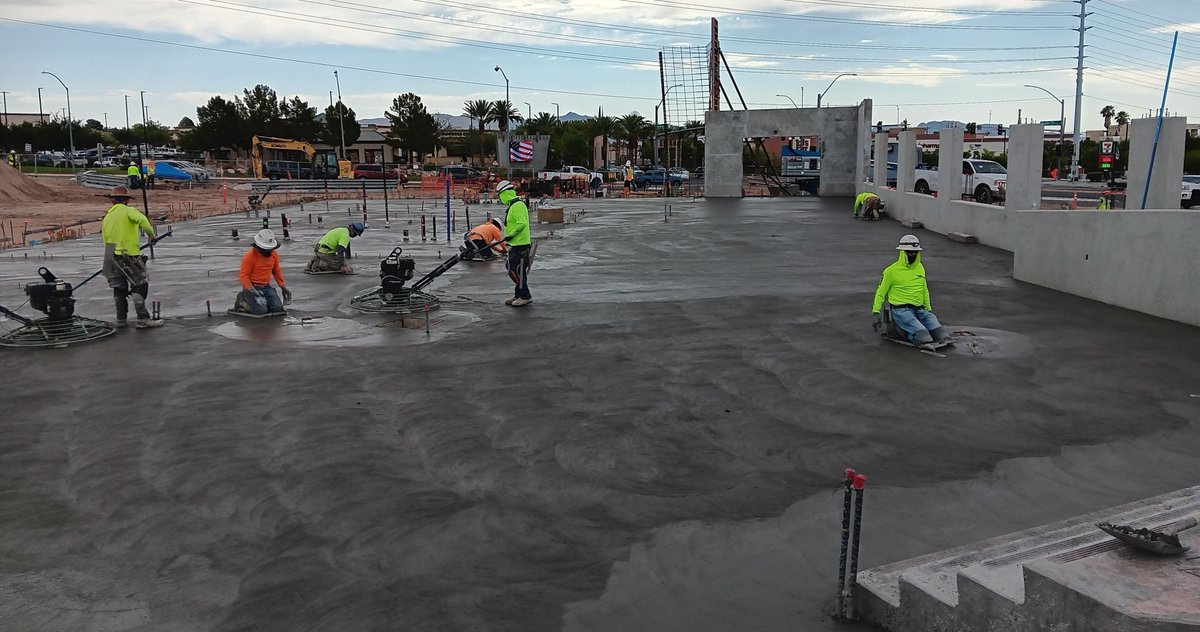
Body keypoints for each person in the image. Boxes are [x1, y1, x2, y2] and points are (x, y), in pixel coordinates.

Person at [101, 185, 163, 328]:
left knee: (118, 288)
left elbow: (104, 238)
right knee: (140, 284)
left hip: (110, 255)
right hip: (127, 253)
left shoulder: (107, 216)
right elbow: (143, 221)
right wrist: (151, 235)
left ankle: (121, 320)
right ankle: (143, 319)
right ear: (127, 200)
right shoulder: (129, 211)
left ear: (112, 201)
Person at [871, 234, 947, 347]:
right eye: (909, 252)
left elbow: (924, 289)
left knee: (941, 335)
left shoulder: (920, 268)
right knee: (924, 337)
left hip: (920, 310)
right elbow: (880, 292)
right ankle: (904, 333)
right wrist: (876, 312)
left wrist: (928, 309)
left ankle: (921, 329)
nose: (913, 254)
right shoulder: (891, 271)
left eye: (915, 252)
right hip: (901, 311)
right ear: (902, 252)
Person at [235, 229, 291, 314]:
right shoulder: (250, 256)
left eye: (270, 249)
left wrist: (283, 287)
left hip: (266, 287)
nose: (268, 252)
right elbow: (244, 276)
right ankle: (243, 301)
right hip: (252, 287)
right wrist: (252, 291)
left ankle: (264, 302)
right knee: (261, 311)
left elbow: (276, 271)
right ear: (258, 247)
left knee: (277, 308)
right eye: (266, 249)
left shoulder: (274, 255)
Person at [496, 180, 532, 306]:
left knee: (513, 270)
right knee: (517, 270)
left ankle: (525, 295)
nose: (500, 199)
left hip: (520, 245)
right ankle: (519, 294)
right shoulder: (514, 206)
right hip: (516, 244)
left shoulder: (517, 205)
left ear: (505, 194)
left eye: (500, 196)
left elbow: (521, 223)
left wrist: (510, 235)